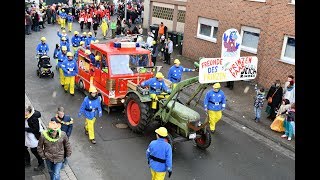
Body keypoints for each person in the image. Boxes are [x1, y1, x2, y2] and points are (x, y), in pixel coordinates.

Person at [25, 106, 45, 171]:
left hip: (33, 137)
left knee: (35, 151)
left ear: (28, 112)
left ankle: (41, 164)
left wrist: (26, 129)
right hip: (26, 136)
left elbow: (36, 130)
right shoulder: (27, 116)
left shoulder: (34, 118)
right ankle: (27, 162)